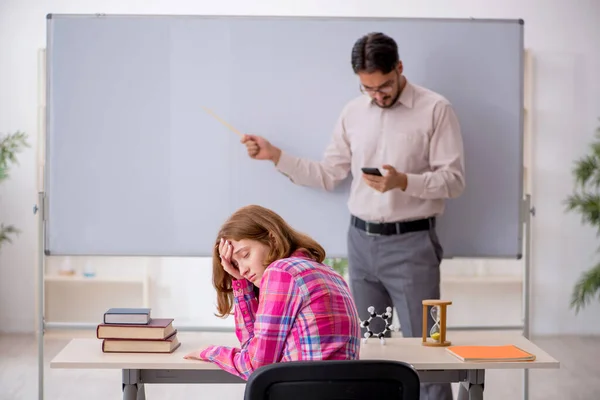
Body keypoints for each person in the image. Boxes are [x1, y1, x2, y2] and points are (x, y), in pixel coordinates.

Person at [239, 32, 464, 400]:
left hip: (412, 247)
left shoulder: (435, 109)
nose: (378, 95)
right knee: (365, 351)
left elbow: (453, 181)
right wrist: (276, 155)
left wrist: (402, 181)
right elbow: (330, 174)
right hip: (360, 245)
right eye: (368, 88)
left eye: (385, 85)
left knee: (427, 353)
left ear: (400, 69)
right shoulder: (353, 112)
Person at [184, 204, 361, 380]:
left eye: (245, 255)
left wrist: (209, 352)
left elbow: (255, 366)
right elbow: (252, 349)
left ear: (272, 240)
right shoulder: (332, 275)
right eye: (236, 264)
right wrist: (241, 283)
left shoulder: (281, 271)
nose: (243, 270)